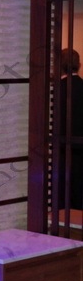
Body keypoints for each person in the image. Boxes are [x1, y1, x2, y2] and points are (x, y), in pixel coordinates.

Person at [59, 48, 83, 210]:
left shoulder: (54, 90)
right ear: (79, 65)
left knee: (61, 196)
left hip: (59, 150)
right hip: (81, 149)